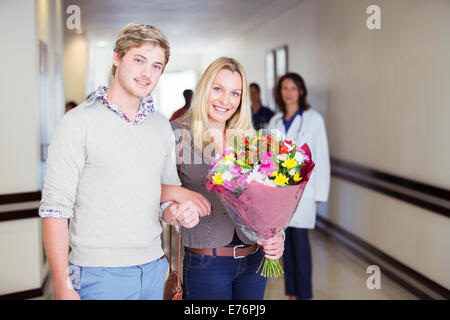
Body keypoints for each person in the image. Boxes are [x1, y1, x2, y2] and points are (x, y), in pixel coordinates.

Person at [39, 23, 210, 300]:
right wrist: (62, 285)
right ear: (117, 58)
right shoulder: (77, 123)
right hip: (97, 275)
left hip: (155, 269)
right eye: (139, 60)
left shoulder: (160, 126)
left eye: (157, 66)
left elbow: (164, 200)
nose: (147, 73)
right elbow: (55, 211)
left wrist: (178, 212)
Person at [161, 57, 285, 300]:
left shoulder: (250, 139)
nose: (225, 101)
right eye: (218, 89)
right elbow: (151, 189)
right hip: (207, 262)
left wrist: (278, 235)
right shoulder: (177, 134)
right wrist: (180, 199)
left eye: (234, 93)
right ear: (205, 88)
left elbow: (268, 200)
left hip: (254, 261)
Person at [268, 73, 330, 300]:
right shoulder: (275, 121)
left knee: (301, 244)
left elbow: (321, 155)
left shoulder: (313, 119)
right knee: (286, 245)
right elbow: (270, 158)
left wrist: (320, 192)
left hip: (304, 192)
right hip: (280, 193)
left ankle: (304, 295)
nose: (288, 92)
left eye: (293, 88)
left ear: (301, 91)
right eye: (285, 88)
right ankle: (292, 293)